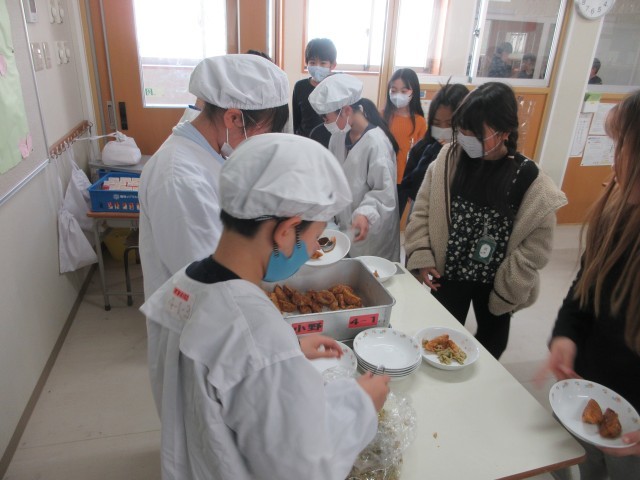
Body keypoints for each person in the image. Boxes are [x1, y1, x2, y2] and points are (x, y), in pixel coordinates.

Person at [141, 133, 391, 480]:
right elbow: (305, 467)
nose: (313, 248)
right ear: (287, 231)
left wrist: (288, 351)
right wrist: (361, 405)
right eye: (316, 237)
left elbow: (215, 371)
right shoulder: (258, 337)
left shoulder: (182, 286)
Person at [404, 82, 567, 359]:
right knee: (439, 334)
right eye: (462, 130)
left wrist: (512, 283)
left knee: (493, 343)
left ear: (504, 133)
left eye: (475, 134)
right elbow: (422, 210)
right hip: (449, 270)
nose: (465, 138)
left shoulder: (528, 178)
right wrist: (421, 253)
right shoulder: (449, 159)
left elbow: (537, 246)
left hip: (496, 280)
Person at [539, 91, 640, 478]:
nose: (613, 163)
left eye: (622, 148)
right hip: (588, 384)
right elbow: (583, 291)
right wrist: (566, 335)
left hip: (633, 424)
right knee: (580, 462)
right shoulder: (616, 214)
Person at [139, 54, 290, 299]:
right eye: (263, 133)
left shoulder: (212, 152)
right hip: (201, 312)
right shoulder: (180, 178)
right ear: (233, 118)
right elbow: (209, 283)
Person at [309, 74, 401, 262]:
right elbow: (332, 178)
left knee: (371, 272)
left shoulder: (376, 143)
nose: (325, 124)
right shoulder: (338, 137)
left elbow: (384, 193)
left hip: (371, 234)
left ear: (346, 111)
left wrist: (364, 214)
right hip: (345, 227)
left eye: (326, 118)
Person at [401, 82, 469, 205]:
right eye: (437, 123)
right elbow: (411, 189)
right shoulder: (423, 148)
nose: (443, 129)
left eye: (450, 124)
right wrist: (435, 152)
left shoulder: (472, 153)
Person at [382, 68, 427, 216]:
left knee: (394, 220)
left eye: (403, 91)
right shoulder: (382, 116)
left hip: (402, 181)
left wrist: (413, 185)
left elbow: (420, 158)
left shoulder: (419, 122)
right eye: (393, 90)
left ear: (413, 92)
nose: (397, 95)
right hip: (381, 177)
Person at [291, 38, 337, 148]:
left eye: (323, 63)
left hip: (330, 144)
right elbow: (296, 120)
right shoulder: (300, 86)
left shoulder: (337, 86)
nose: (317, 67)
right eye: (312, 62)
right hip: (304, 143)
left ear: (332, 65)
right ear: (306, 63)